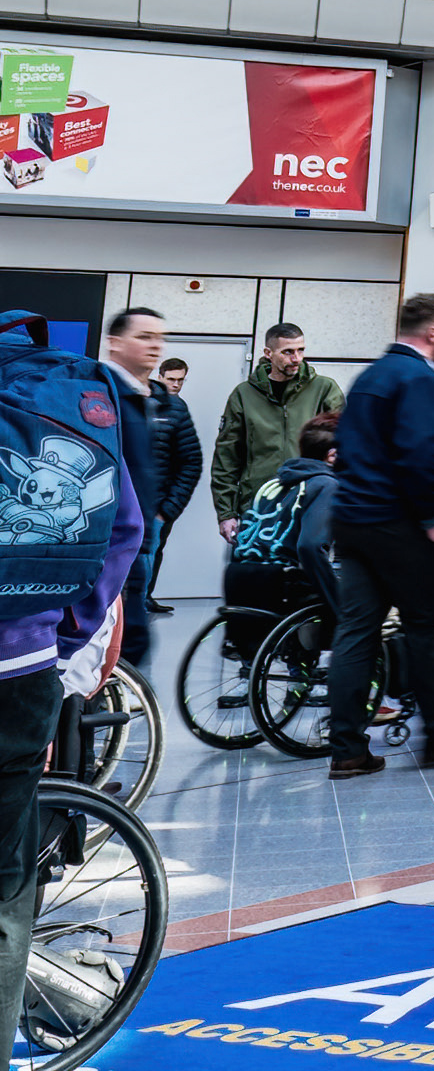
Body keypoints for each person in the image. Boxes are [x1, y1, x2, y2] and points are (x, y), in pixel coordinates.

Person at [0, 316, 142, 1066]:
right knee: (6, 877)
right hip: (21, 671)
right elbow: (124, 529)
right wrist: (61, 632)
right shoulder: (64, 393)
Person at [323, 293, 434, 777]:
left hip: (352, 520)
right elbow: (421, 455)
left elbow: (347, 449)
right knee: (424, 629)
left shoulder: (369, 377)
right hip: (401, 525)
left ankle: (347, 749)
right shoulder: (420, 379)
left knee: (355, 633)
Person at [210, 323, 345, 543]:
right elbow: (227, 458)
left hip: (309, 505)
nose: (297, 358)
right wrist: (226, 514)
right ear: (268, 354)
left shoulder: (324, 389)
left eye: (301, 350)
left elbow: (344, 446)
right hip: (257, 507)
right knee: (255, 573)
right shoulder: (244, 395)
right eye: (288, 352)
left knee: (304, 574)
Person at [100, 307, 170, 678]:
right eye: (144, 337)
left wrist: (161, 511)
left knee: (134, 634)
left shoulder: (149, 399)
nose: (155, 346)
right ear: (114, 343)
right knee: (115, 639)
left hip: (139, 535)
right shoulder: (103, 394)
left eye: (159, 337)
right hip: (112, 541)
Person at [222, 412, 342, 620]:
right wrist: (339, 605)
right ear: (332, 455)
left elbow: (244, 538)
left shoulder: (273, 483)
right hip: (281, 585)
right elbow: (310, 547)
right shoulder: (327, 485)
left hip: (238, 579)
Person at [143, 358, 200, 619]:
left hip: (163, 500)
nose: (176, 384)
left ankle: (145, 596)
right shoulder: (145, 404)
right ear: (160, 376)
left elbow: (187, 460)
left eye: (180, 380)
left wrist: (170, 507)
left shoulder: (179, 408)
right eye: (171, 379)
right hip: (140, 497)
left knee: (156, 549)